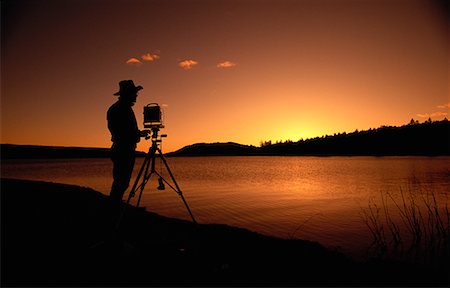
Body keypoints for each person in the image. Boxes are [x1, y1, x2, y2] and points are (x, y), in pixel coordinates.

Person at [107, 80, 148, 203]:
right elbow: (121, 132)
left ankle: (116, 204)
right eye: (134, 93)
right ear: (127, 94)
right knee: (122, 181)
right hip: (123, 149)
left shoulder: (119, 108)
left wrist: (138, 133)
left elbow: (123, 130)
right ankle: (115, 207)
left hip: (122, 148)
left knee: (121, 181)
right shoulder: (121, 109)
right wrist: (137, 134)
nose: (136, 96)